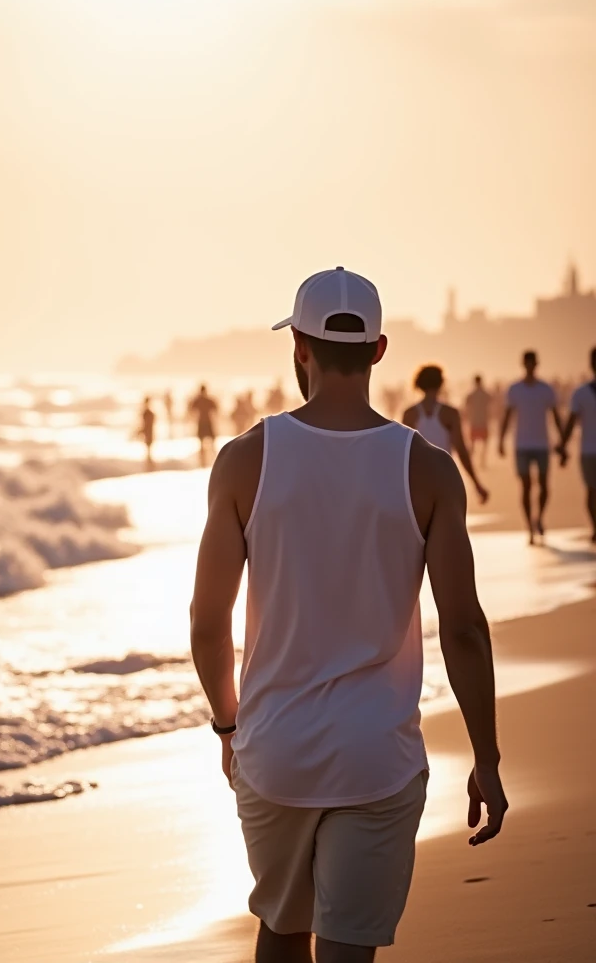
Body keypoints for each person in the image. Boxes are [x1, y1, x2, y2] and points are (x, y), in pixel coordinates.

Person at [191, 267, 507, 963]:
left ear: (299, 347)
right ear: (378, 350)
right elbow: (462, 627)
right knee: (346, 953)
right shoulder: (425, 468)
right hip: (377, 756)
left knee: (279, 931)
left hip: (274, 751)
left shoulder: (245, 460)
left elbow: (208, 623)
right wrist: (485, 756)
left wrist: (227, 725)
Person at [499, 350, 564, 544]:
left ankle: (539, 518)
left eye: (532, 363)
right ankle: (529, 526)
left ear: (536, 364)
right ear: (523, 364)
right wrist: (501, 440)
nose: (530, 366)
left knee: (544, 485)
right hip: (522, 445)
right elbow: (508, 415)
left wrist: (562, 440)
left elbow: (556, 415)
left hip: (542, 444)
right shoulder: (515, 389)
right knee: (526, 486)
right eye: (527, 363)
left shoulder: (546, 389)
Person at [402, 365, 488, 504]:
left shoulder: (410, 414)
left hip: (418, 480)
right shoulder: (450, 413)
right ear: (441, 384)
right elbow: (461, 450)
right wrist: (477, 484)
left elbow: (403, 452)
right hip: (445, 477)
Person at [559, 347, 596, 542]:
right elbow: (571, 422)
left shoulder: (580, 393)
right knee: (591, 491)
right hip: (589, 450)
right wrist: (563, 445)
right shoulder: (580, 393)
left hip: (588, 451)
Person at [465, 375, 493, 468]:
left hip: (475, 421)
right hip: (482, 421)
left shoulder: (471, 394)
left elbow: (466, 406)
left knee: (473, 443)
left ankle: (472, 462)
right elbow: (492, 404)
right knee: (484, 443)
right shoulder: (485, 394)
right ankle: (482, 461)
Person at [189, 384, 218, 467]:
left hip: (202, 422)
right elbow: (216, 410)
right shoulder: (208, 400)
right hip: (207, 421)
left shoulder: (198, 400)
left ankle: (204, 462)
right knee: (211, 441)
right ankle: (213, 460)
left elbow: (191, 410)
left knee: (202, 442)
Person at [137, 396, 155, 467]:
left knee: (148, 449)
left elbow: (146, 424)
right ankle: (149, 465)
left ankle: (149, 465)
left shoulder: (148, 412)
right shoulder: (148, 412)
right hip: (148, 432)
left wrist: (141, 431)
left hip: (149, 432)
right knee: (148, 449)